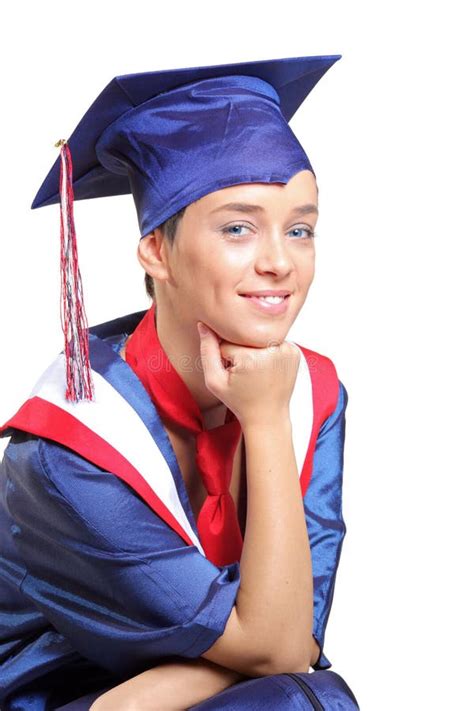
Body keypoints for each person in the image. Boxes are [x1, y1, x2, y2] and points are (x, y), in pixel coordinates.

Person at [0, 55, 360, 709]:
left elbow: (295, 637)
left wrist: (265, 419)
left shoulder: (308, 394)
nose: (279, 261)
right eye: (238, 227)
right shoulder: (67, 449)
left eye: (301, 228)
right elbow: (282, 652)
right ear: (155, 251)